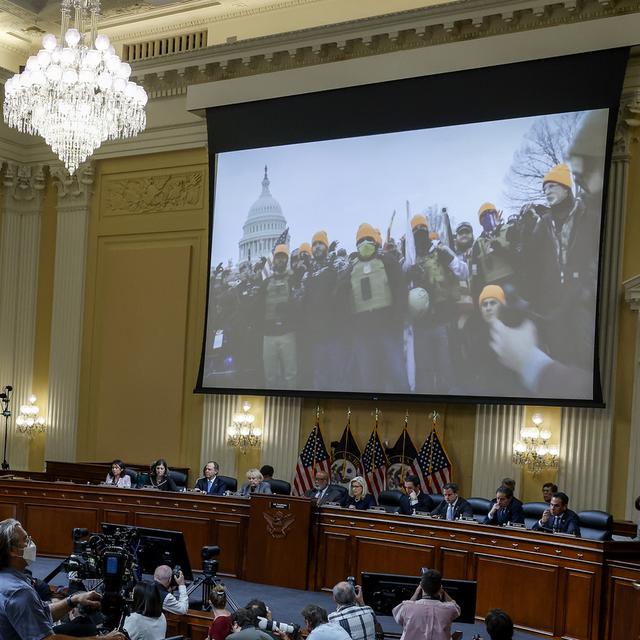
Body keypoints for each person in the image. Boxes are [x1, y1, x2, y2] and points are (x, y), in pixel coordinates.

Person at [0, 518, 124, 640]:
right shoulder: (20, 592)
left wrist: (73, 600)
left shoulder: (8, 578)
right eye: (26, 540)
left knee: (85, 628)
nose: (31, 543)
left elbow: (41, 612)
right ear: (12, 551)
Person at [341, 222, 408, 393]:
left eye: (368, 240)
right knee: (369, 378)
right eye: (361, 241)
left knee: (397, 373)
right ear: (356, 246)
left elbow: (400, 289)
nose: (365, 244)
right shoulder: (350, 269)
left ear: (375, 242)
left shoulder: (387, 261)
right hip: (363, 333)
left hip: (388, 329)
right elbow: (341, 297)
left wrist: (397, 319)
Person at [407, 214, 468, 394]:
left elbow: (463, 272)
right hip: (421, 324)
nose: (420, 233)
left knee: (446, 364)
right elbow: (400, 285)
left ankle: (451, 396)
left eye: (423, 229)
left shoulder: (441, 250)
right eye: (416, 230)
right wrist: (408, 275)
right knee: (425, 367)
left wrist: (450, 260)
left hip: (443, 319)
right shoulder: (410, 258)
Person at [260, 243, 298, 389]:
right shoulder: (265, 283)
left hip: (287, 333)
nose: (280, 261)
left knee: (291, 375)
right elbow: (258, 306)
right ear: (273, 261)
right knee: (270, 377)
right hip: (269, 334)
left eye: (283, 258)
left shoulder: (293, 279)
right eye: (278, 258)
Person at [392, 569, 460, 640]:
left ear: (421, 586)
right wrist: (442, 591)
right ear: (440, 587)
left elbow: (398, 618)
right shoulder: (449, 609)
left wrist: (416, 593)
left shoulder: (406, 607)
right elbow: (456, 607)